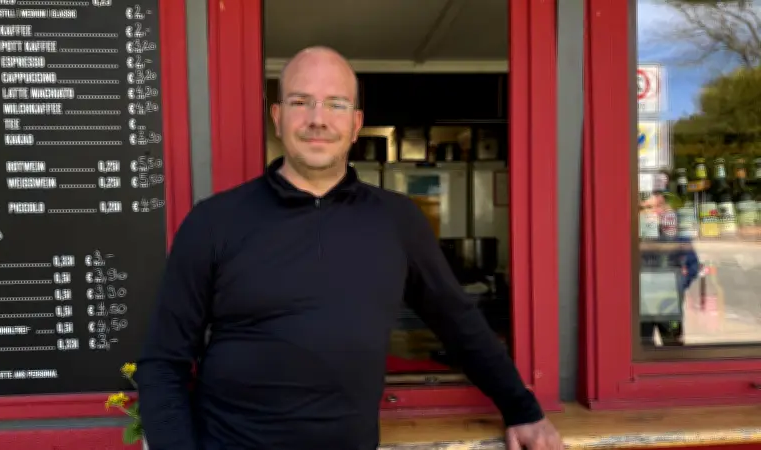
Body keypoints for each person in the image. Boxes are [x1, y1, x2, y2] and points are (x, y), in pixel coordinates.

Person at [136, 46, 562, 450]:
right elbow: (163, 361)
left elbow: (460, 324)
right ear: (277, 117)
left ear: (357, 124)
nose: (317, 119)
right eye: (301, 102)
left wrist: (522, 410)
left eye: (336, 104)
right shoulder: (214, 222)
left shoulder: (397, 220)